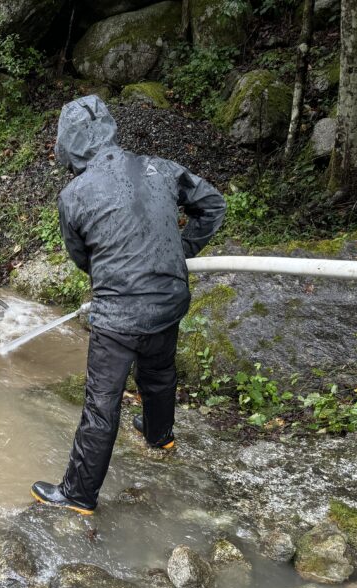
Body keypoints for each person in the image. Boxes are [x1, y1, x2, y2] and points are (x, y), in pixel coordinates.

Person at [31, 95, 226, 515]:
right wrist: (178, 250)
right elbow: (212, 206)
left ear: (69, 145)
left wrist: (170, 249)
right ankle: (160, 436)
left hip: (118, 315)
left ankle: (79, 494)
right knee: (159, 371)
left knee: (102, 403)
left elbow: (82, 257)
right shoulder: (161, 168)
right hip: (169, 299)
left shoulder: (74, 195)